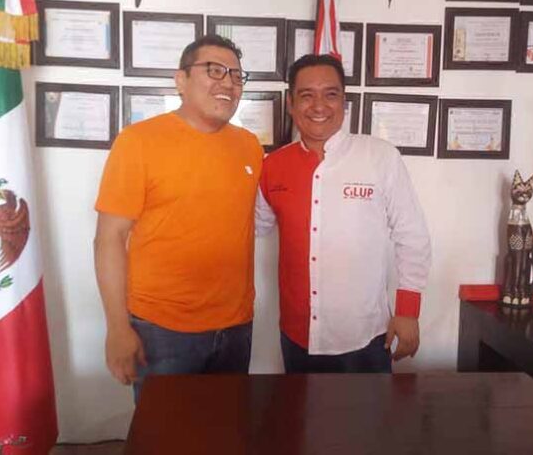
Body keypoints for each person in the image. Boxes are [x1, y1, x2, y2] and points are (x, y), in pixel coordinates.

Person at [94, 35, 263, 399]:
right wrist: (117, 328)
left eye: (236, 75)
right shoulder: (138, 142)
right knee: (163, 430)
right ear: (181, 80)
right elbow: (109, 238)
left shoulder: (249, 145)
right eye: (214, 70)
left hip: (236, 327)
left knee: (228, 426)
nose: (228, 83)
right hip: (162, 331)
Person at [256, 54, 431, 373]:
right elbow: (254, 228)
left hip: (366, 335)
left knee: (370, 408)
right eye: (306, 95)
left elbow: (412, 235)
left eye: (330, 94)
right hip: (297, 336)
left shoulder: (380, 157)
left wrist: (408, 311)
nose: (319, 106)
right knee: (299, 408)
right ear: (291, 104)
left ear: (344, 102)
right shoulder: (273, 166)